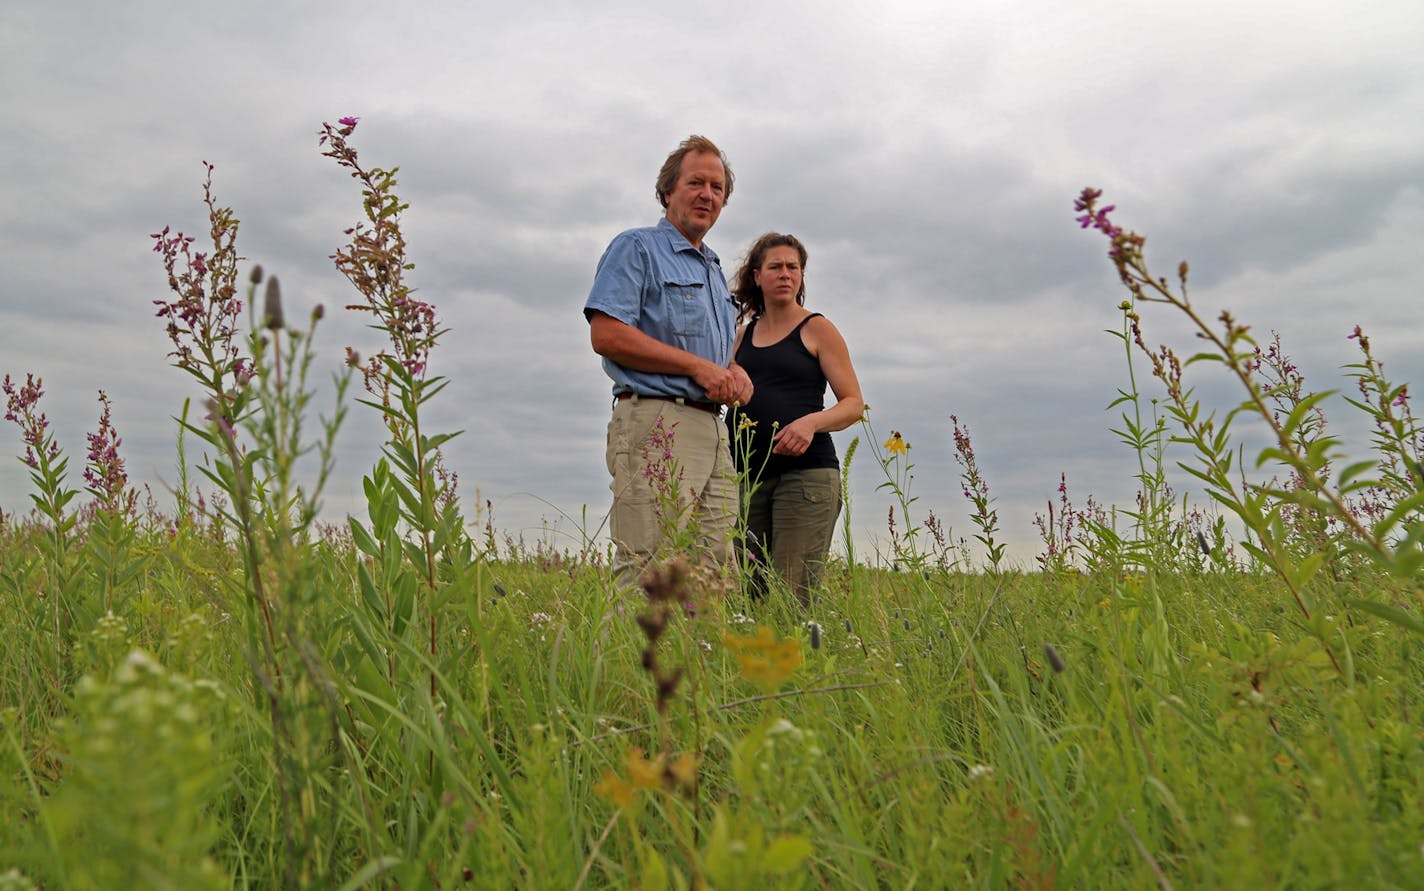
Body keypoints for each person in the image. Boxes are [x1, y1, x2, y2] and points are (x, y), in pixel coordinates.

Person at [584, 135, 753, 589]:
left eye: (717, 188)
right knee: (649, 567)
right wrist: (698, 368)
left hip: (711, 428)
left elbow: (716, 353)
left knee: (713, 570)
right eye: (696, 182)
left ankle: (698, 661)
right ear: (667, 193)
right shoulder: (636, 248)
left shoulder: (714, 269)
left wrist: (733, 372)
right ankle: (627, 662)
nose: (708, 195)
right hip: (656, 420)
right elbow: (606, 333)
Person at [725, 233, 864, 609]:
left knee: (792, 596)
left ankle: (796, 665)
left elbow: (853, 404)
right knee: (748, 594)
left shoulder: (817, 328)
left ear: (802, 276)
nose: (785, 274)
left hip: (806, 477)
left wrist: (810, 424)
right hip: (747, 479)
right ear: (757, 276)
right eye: (775, 267)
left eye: (793, 267)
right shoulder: (741, 336)